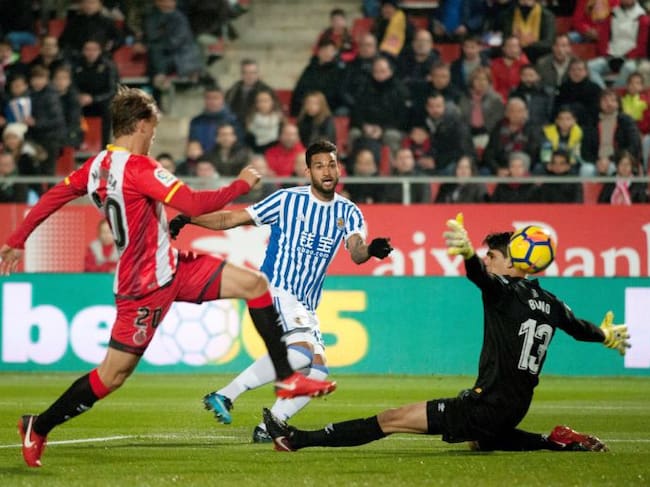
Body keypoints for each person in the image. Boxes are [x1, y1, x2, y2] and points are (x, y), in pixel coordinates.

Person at [1, 86, 336, 469]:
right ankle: (39, 425)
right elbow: (192, 203)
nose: (154, 137)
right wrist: (241, 185)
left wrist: (17, 239)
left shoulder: (95, 167)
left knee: (254, 284)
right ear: (142, 125)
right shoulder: (139, 168)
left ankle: (288, 379)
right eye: (154, 129)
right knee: (112, 376)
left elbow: (52, 197)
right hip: (143, 286)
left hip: (174, 267)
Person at [262, 213, 630, 453]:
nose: (487, 261)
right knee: (481, 441)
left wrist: (468, 254)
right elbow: (581, 329)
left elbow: (479, 276)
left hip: (486, 407)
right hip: (513, 408)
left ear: (513, 260)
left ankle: (297, 439)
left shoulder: (504, 292)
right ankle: (558, 441)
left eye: (492, 256)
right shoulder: (550, 302)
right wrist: (606, 334)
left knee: (392, 418)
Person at [168, 140, 393, 443]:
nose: (327, 171)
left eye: (331, 164)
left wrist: (371, 250)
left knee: (318, 371)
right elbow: (231, 219)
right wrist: (189, 218)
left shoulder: (349, 212)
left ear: (339, 169)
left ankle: (270, 425)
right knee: (301, 354)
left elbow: (356, 251)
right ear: (308, 172)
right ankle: (226, 394)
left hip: (305, 303)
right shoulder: (287, 200)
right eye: (319, 166)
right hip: (277, 288)